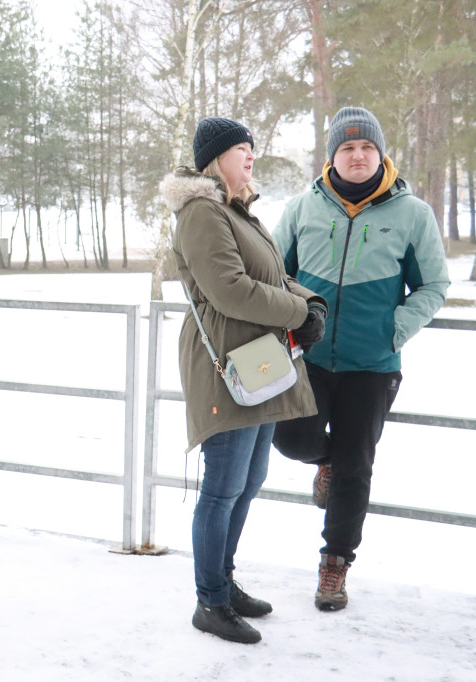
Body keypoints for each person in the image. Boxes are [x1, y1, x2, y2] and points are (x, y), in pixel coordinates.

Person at [271, 106, 449, 612]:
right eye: (347, 147)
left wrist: (395, 329)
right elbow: (276, 271)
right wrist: (291, 317)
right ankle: (322, 459)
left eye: (367, 146)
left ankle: (335, 563)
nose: (358, 155)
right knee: (290, 437)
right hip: (307, 356)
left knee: (357, 466)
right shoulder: (304, 206)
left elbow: (434, 285)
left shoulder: (412, 213)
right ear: (333, 156)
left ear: (381, 152)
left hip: (372, 364)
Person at [160, 117, 327, 644]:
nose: (251, 155)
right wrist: (299, 314)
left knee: (248, 482)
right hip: (227, 365)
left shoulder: (236, 209)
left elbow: (271, 277)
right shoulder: (201, 212)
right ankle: (209, 602)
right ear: (214, 157)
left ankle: (224, 584)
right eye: (240, 148)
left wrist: (309, 300)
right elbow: (231, 289)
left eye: (252, 147)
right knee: (222, 487)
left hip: (256, 361)